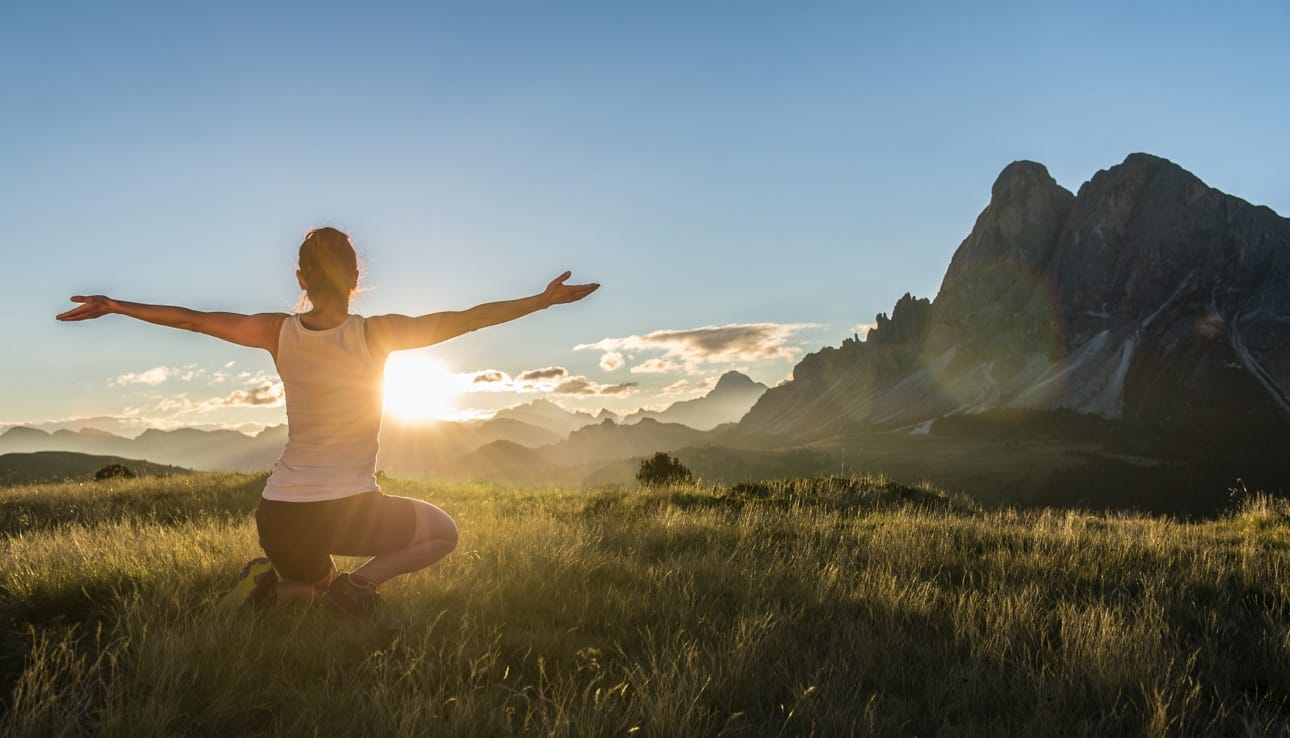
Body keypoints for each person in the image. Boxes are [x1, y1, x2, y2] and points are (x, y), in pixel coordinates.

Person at [57, 226, 599, 615]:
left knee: (309, 587)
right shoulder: (375, 334)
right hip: (346, 510)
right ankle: (355, 588)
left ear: (301, 278)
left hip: (278, 518)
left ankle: (279, 587)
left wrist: (116, 305)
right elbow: (466, 321)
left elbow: (193, 321)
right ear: (356, 278)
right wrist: (541, 301)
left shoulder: (276, 331)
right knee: (443, 533)